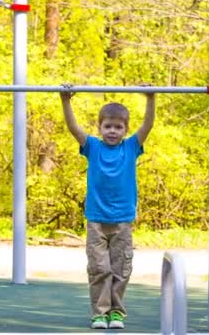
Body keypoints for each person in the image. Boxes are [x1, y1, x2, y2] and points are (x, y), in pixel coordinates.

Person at [60, 87, 155, 330]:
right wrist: (65, 101)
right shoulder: (93, 146)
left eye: (118, 127)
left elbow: (147, 126)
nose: (112, 131)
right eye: (108, 126)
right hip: (96, 219)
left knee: (121, 268)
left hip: (122, 219)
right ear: (100, 127)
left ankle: (116, 313)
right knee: (99, 268)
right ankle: (100, 313)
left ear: (125, 129)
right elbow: (73, 128)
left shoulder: (130, 147)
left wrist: (151, 98)